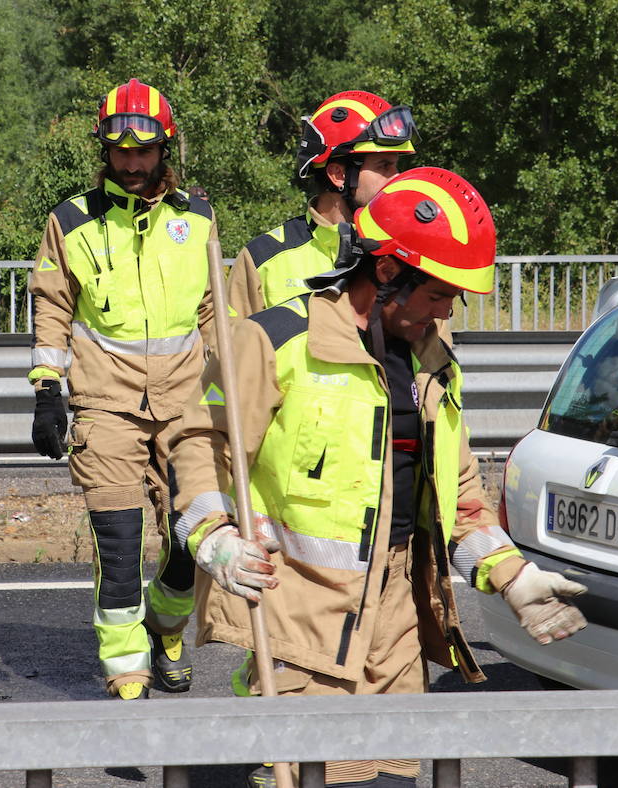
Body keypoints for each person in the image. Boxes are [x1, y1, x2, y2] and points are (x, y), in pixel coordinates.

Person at [172, 168, 588, 788]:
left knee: (393, 779)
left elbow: (460, 494)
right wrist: (213, 535)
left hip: (396, 618)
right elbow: (199, 440)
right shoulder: (275, 341)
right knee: (330, 778)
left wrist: (514, 578)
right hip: (300, 614)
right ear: (387, 272)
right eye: (438, 294)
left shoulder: (433, 363)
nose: (447, 311)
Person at [28, 78, 215, 700]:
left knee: (193, 535)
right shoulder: (70, 221)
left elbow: (216, 311)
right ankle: (126, 666)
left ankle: (166, 626)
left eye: (144, 151)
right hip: (105, 399)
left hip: (187, 401)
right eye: (119, 151)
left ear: (165, 149)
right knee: (118, 534)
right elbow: (53, 306)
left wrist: (236, 389)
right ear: (103, 150)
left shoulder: (198, 216)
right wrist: (47, 388)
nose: (132, 163)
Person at [225, 91, 417, 319]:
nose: (397, 177)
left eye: (396, 166)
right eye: (384, 166)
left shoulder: (408, 254)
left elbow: (434, 350)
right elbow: (234, 349)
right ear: (338, 175)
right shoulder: (262, 259)